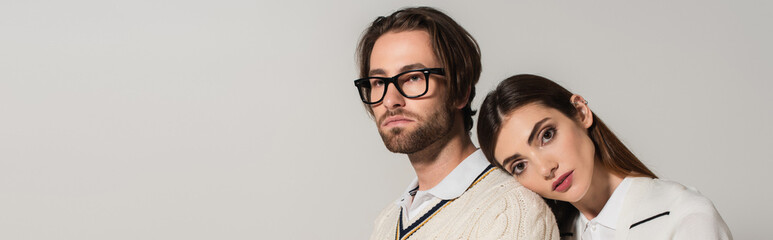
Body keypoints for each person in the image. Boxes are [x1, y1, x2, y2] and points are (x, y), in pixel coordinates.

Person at [353, 7, 559, 240]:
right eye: (378, 82)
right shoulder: (387, 221)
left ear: (460, 91)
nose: (390, 100)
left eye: (413, 78)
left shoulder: (512, 210)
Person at [476, 74, 733, 239]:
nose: (545, 168)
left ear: (580, 112)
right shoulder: (546, 233)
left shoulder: (684, 216)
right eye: (520, 166)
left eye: (546, 135)